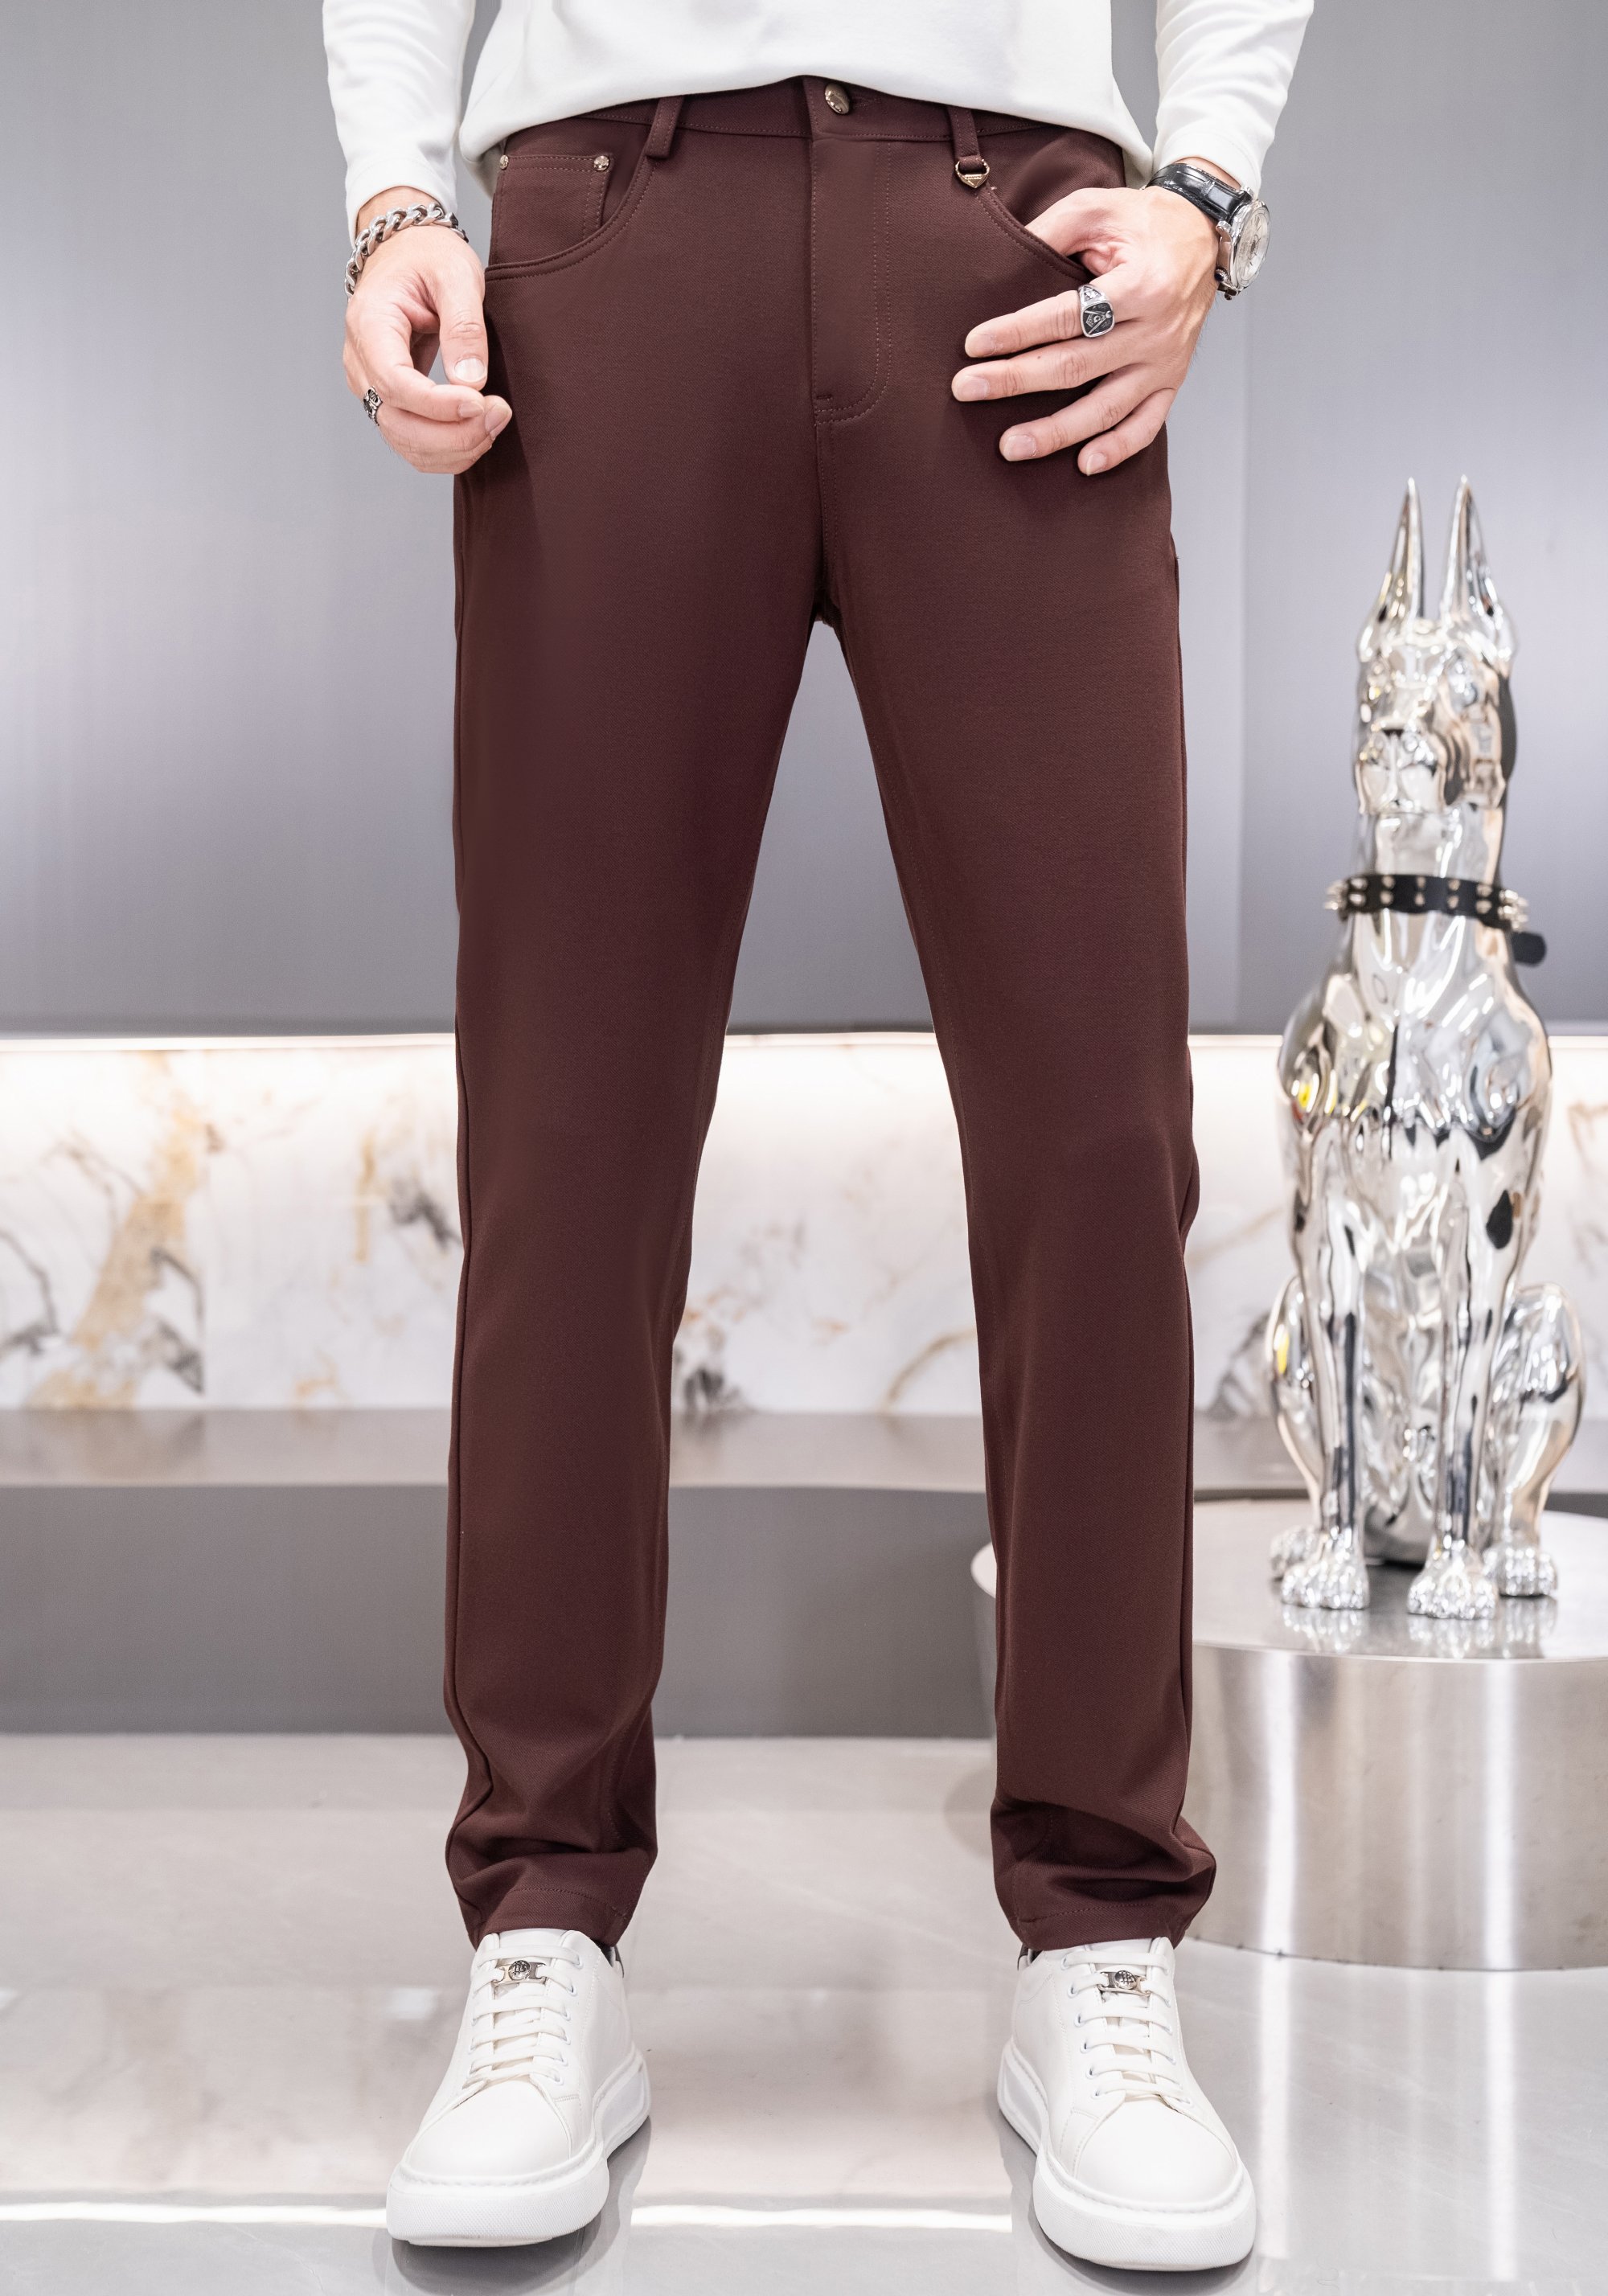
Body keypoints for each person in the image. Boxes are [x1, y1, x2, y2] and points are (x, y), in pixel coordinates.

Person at [323, 0, 1309, 2269]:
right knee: (567, 1128)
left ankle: (1101, 1944)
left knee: (1093, 1129)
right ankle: (542, 1929)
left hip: (1011, 239)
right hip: (607, 231)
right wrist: (392, 193)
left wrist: (1209, 188)